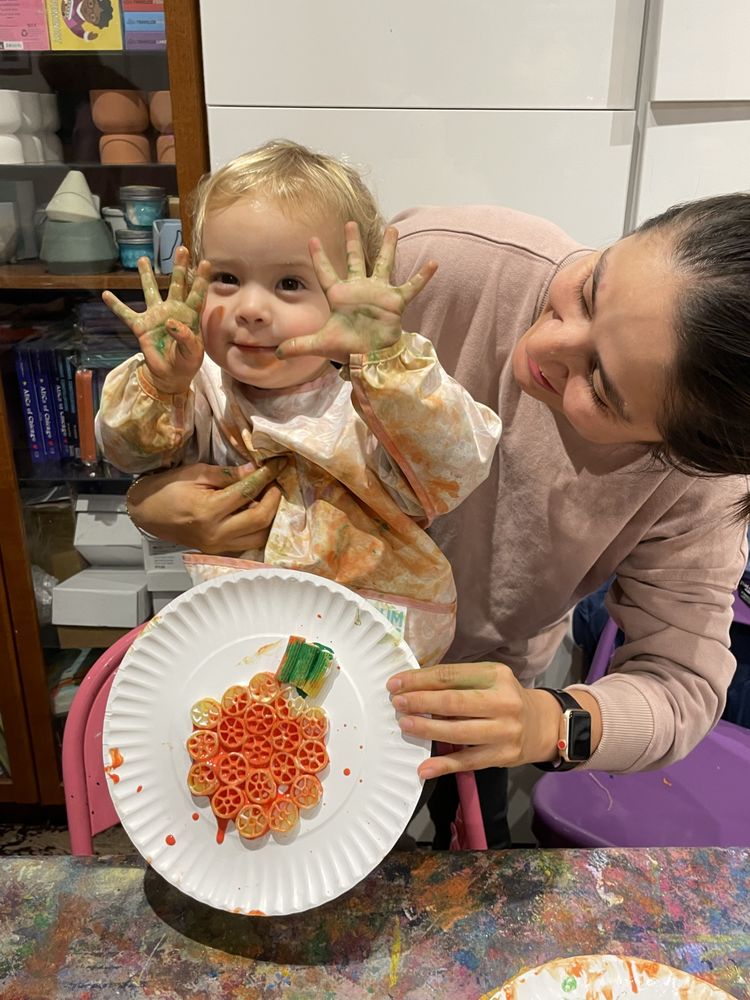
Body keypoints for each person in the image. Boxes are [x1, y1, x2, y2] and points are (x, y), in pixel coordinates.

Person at [125, 193, 750, 848]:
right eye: (590, 290)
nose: (546, 344)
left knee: (450, 850)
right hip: (278, 638)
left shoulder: (700, 483)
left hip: (473, 682)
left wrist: (548, 723)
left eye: (598, 385)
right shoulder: (446, 262)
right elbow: (219, 382)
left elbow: (681, 683)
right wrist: (148, 501)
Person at [97, 140, 502, 667]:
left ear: (346, 295)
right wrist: (161, 383)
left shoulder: (373, 400)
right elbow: (127, 452)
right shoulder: (199, 391)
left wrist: (388, 362)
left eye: (289, 283)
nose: (250, 308)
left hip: (368, 640)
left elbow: (457, 465)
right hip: (238, 638)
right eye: (226, 279)